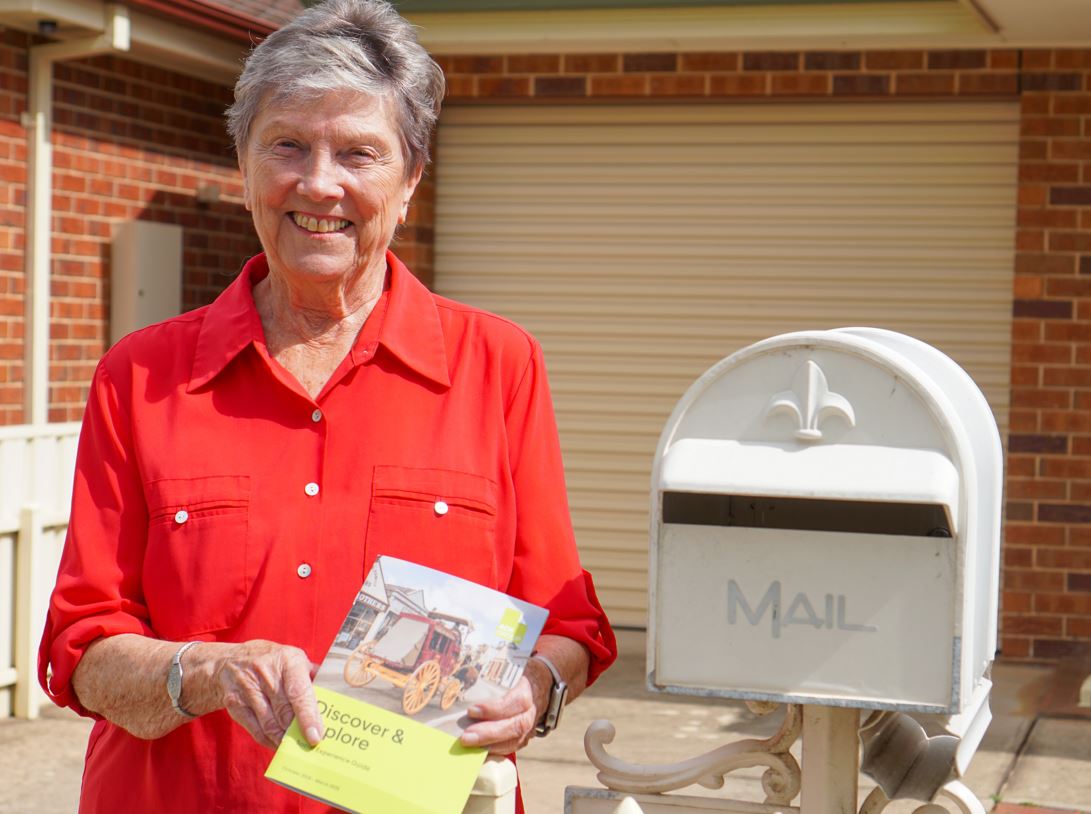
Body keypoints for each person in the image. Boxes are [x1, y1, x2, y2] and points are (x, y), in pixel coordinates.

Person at [37, 1, 617, 810]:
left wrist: (534, 688)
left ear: (410, 180)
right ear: (243, 168)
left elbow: (568, 626)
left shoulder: (498, 366)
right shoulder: (140, 377)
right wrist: (202, 671)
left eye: (359, 153)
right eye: (287, 145)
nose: (318, 182)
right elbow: (81, 650)